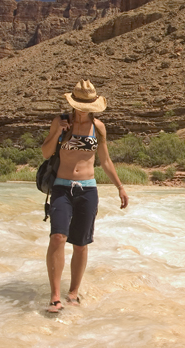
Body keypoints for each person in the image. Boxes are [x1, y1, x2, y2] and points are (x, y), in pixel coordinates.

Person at [41, 79, 129, 313]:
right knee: (58, 237)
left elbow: (106, 160)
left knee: (80, 244)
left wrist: (119, 186)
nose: (83, 110)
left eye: (87, 105)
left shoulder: (98, 127)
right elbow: (46, 152)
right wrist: (58, 132)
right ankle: (55, 296)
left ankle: (73, 293)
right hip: (62, 186)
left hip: (88, 189)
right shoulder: (61, 122)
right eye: (79, 104)